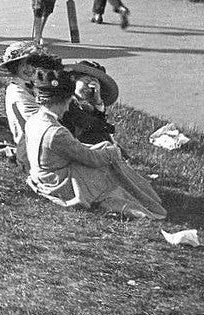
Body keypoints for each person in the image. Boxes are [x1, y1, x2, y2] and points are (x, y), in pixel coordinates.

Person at [22, 66, 165, 219]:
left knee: (104, 150)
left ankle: (144, 194)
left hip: (43, 174)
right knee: (109, 169)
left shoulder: (35, 119)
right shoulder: (56, 131)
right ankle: (146, 199)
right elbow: (90, 158)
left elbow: (73, 149)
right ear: (65, 100)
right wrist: (113, 152)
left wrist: (104, 149)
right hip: (58, 182)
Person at [0, 42, 63, 174]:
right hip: (32, 152)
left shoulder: (34, 85)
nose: (29, 68)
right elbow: (39, 121)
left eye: (32, 63)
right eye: (22, 64)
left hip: (45, 144)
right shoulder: (17, 91)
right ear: (14, 68)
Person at [60, 61, 119, 146]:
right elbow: (88, 123)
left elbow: (98, 126)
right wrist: (107, 127)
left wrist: (97, 100)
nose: (89, 88)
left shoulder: (87, 107)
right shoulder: (67, 101)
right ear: (74, 80)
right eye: (86, 81)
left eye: (94, 86)